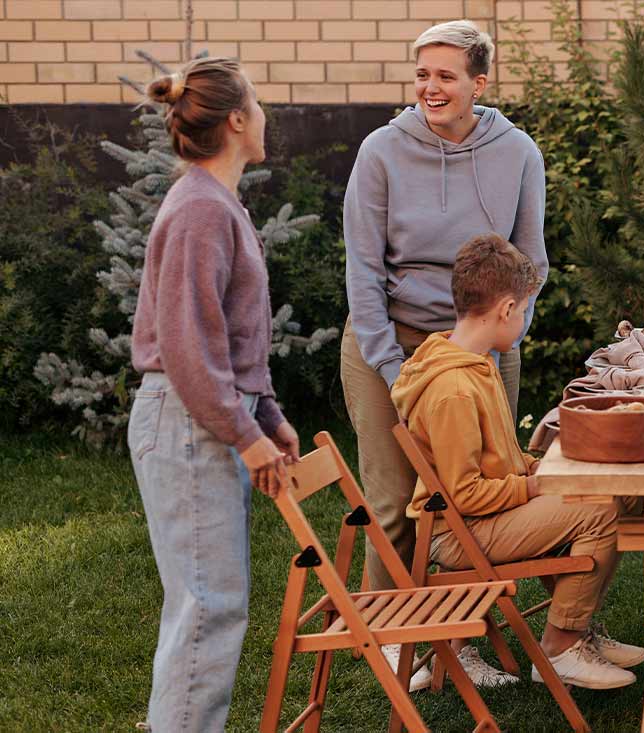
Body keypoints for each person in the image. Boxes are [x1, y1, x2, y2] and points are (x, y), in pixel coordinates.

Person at [341, 20, 549, 683]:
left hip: (483, 346)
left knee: (478, 495)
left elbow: (532, 262)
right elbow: (363, 274)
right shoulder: (381, 151)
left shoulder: (518, 152)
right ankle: (397, 647)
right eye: (422, 74)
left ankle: (460, 644)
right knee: (393, 500)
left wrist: (496, 338)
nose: (430, 87)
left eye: (445, 75)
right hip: (389, 344)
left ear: (479, 83)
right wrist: (400, 370)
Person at [391, 233, 644, 690]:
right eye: (525, 309)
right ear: (506, 309)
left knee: (615, 492)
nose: (524, 320)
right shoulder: (453, 390)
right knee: (598, 511)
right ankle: (560, 648)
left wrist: (538, 466)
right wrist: (536, 486)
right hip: (455, 534)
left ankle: (579, 631)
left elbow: (498, 460)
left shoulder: (477, 364)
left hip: (485, 515)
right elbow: (463, 493)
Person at [127, 57, 300, 732]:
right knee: (206, 606)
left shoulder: (215, 201)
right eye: (257, 105)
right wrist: (248, 435)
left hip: (202, 414)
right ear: (235, 119)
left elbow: (231, 336)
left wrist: (267, 414)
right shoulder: (200, 209)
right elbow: (190, 349)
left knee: (205, 604)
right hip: (186, 418)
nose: (264, 116)